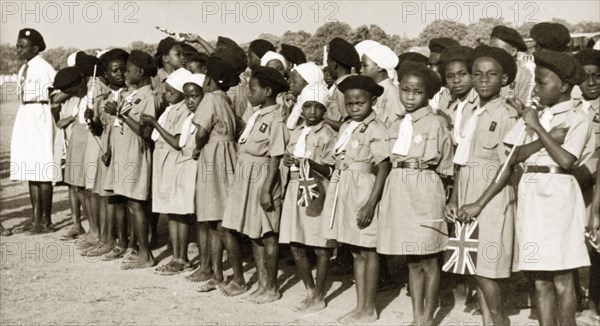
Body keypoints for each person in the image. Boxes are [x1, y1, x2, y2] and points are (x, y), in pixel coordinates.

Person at [459, 50, 591, 326]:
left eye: (542, 83)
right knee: (539, 278)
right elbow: (513, 155)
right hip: (531, 198)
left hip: (559, 197)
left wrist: (539, 130)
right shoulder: (534, 115)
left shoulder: (578, 117)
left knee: (563, 278)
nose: (537, 89)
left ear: (564, 87)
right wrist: (539, 129)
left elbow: (567, 160)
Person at [445, 45, 520, 326]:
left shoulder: (507, 114)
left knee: (488, 270)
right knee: (475, 268)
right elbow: (460, 161)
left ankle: (500, 322)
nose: (483, 80)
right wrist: (453, 198)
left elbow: (507, 164)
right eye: (477, 74)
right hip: (466, 191)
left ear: (504, 79)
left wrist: (478, 203)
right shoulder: (471, 111)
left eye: (491, 74)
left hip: (491, 196)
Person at [378, 61, 452, 326]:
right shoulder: (397, 125)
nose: (410, 96)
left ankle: (428, 318)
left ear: (428, 94)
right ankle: (416, 316)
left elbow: (446, 165)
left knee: (430, 257)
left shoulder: (435, 124)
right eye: (405, 90)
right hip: (399, 189)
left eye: (417, 92)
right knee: (411, 259)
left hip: (425, 188)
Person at [321, 75, 391, 324]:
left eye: (359, 103)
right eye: (349, 104)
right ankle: (360, 305)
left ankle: (369, 307)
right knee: (355, 250)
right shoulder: (347, 126)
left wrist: (371, 203)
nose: (354, 108)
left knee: (368, 250)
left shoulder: (375, 128)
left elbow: (383, 167)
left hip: (364, 191)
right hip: (346, 190)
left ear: (372, 101)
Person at [221, 66, 289, 304]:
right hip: (246, 175)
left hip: (262, 177)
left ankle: (271, 287)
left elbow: (275, 156)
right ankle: (261, 283)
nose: (248, 93)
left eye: (253, 89)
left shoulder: (275, 119)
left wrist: (267, 188)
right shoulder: (257, 114)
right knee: (254, 234)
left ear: (268, 91)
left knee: (268, 233)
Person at [279, 81, 335, 312]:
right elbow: (288, 157)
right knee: (296, 243)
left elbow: (331, 169)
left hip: (315, 190)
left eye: (317, 107)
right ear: (301, 108)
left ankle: (319, 295)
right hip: (294, 189)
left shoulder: (328, 134)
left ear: (324, 110)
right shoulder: (297, 132)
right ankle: (309, 290)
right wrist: (287, 160)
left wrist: (312, 164)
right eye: (308, 106)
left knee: (320, 245)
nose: (312, 112)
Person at [186, 57, 241, 291]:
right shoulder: (224, 98)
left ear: (208, 79)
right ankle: (217, 275)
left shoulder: (209, 99)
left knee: (219, 222)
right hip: (226, 154)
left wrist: (197, 148)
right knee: (215, 219)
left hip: (213, 156)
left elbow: (201, 131)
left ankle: (236, 277)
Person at [141, 67, 195, 275]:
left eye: (171, 92)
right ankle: (177, 256)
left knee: (179, 213)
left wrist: (153, 123)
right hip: (166, 164)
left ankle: (181, 258)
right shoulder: (171, 109)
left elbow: (177, 142)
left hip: (176, 164)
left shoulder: (183, 111)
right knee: (172, 213)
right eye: (166, 91)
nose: (167, 95)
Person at [110, 50, 157, 270]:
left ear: (141, 71)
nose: (125, 73)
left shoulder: (149, 97)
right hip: (125, 154)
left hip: (137, 153)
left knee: (137, 204)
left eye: (128, 69)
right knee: (131, 204)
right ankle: (136, 248)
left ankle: (146, 255)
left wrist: (121, 113)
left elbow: (146, 132)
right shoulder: (132, 94)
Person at [11, 28, 59, 234]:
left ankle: (46, 221)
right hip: (25, 114)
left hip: (40, 113)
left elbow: (57, 94)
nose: (18, 49)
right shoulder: (24, 69)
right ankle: (36, 218)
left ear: (36, 48)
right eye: (18, 45)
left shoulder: (44, 68)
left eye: (23, 46)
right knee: (31, 168)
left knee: (43, 168)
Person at [91, 49, 130, 261]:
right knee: (109, 198)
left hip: (125, 152)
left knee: (123, 199)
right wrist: (92, 120)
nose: (121, 74)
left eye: (124, 69)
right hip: (107, 153)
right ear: (106, 74)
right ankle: (108, 240)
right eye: (115, 71)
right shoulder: (101, 99)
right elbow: (99, 130)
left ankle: (124, 242)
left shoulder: (131, 95)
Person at [573, 48, 600, 321]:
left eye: (597, 76)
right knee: (576, 241)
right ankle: (576, 298)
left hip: (596, 183)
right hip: (576, 183)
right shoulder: (573, 108)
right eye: (585, 77)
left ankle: (593, 303)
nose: (591, 82)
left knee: (597, 245)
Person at [52, 67, 89, 240]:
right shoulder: (71, 92)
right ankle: (77, 225)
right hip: (69, 139)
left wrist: (69, 119)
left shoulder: (88, 91)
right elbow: (53, 100)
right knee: (72, 183)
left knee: (84, 186)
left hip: (83, 139)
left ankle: (95, 229)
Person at [436, 46, 476, 144]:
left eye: (462, 74)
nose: (456, 80)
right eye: (450, 76)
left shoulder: (481, 102)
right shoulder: (446, 100)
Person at [489, 26, 534, 105]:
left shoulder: (525, 76)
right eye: (490, 50)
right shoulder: (487, 73)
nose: (492, 54)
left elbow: (522, 109)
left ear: (513, 51)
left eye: (497, 50)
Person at [361, 44, 403, 127]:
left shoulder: (392, 93)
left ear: (379, 67)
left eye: (365, 65)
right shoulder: (370, 90)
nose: (361, 70)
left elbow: (396, 125)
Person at [325, 38, 362, 131]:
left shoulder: (344, 88)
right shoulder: (340, 85)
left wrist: (323, 120)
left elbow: (351, 126)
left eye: (328, 63)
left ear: (334, 64)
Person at [427, 38, 459, 113]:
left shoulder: (463, 96)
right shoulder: (435, 93)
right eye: (430, 65)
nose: (432, 70)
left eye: (437, 65)